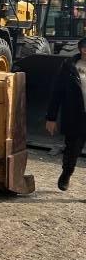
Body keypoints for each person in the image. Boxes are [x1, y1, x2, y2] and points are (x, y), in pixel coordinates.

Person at [45, 36, 86, 191]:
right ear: (83, 49)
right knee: (72, 151)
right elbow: (57, 93)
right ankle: (67, 173)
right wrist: (51, 117)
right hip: (76, 116)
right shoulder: (69, 67)